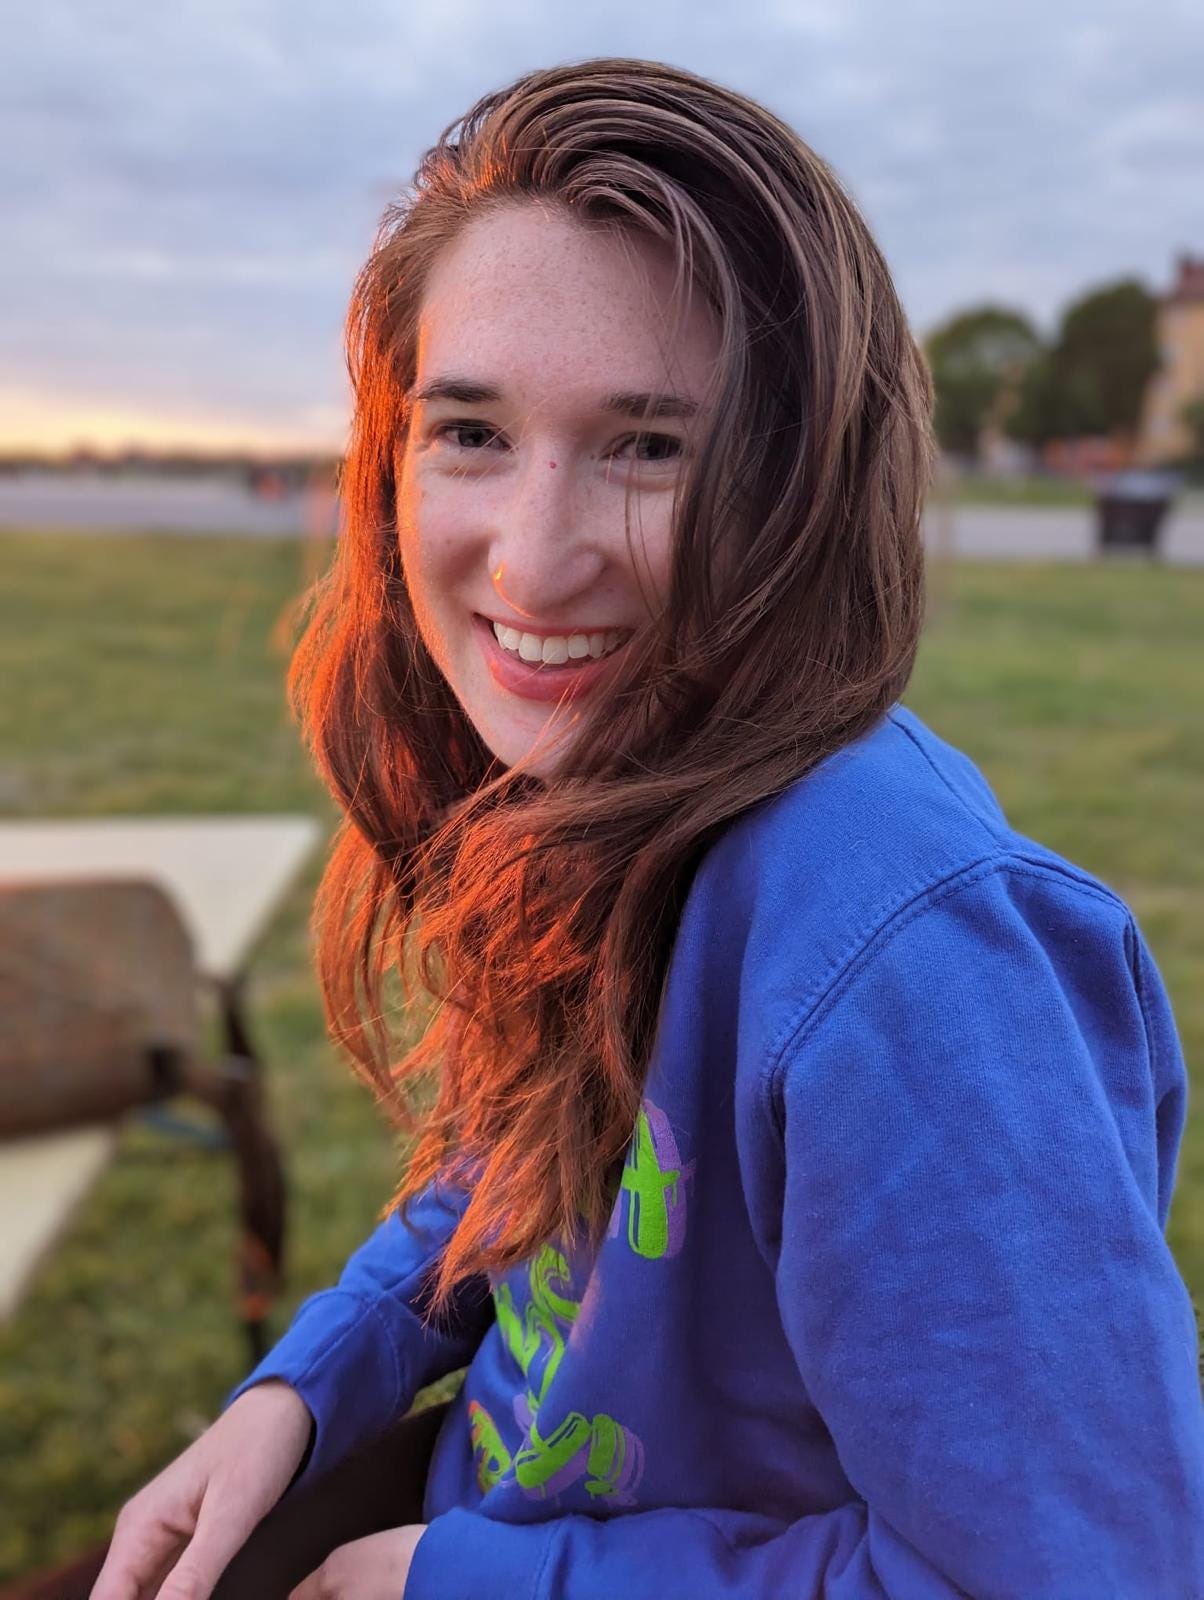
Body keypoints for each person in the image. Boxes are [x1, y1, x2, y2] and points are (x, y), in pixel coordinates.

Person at [91, 56, 1204, 1600]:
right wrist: (304, 1388)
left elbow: (1079, 1574)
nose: (534, 567)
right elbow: (541, 1160)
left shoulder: (914, 962)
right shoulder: (619, 787)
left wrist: (444, 1582)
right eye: (470, 432)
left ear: (804, 485)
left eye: (649, 445)